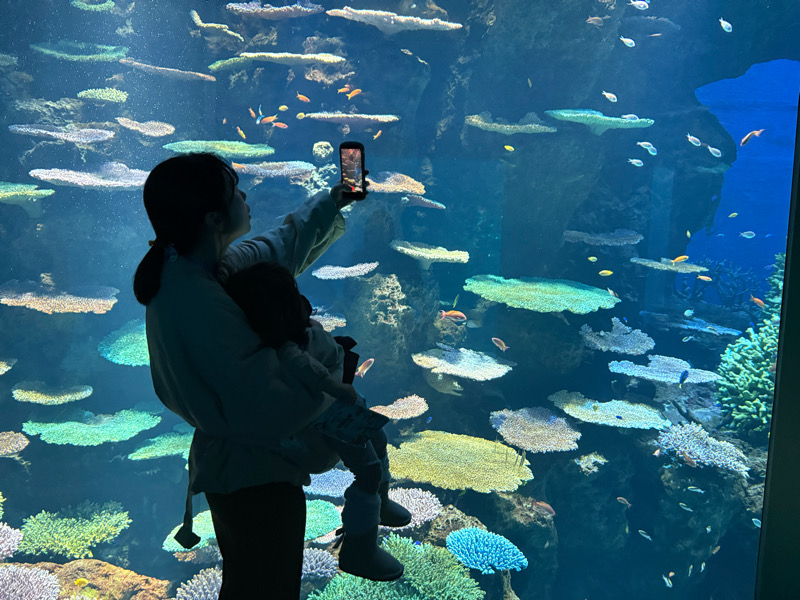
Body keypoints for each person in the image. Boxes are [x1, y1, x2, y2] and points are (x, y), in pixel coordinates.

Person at [134, 153, 360, 599]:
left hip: (246, 471)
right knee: (265, 591)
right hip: (254, 478)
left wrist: (333, 200)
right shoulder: (193, 298)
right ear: (214, 218)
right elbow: (270, 403)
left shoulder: (199, 268)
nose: (244, 195)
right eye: (234, 190)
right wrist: (325, 350)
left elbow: (279, 245)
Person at [223, 261, 412, 582]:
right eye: (292, 295)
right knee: (368, 470)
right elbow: (314, 375)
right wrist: (339, 388)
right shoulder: (289, 349)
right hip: (335, 415)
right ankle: (359, 548)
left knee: (378, 439)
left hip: (340, 409)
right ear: (280, 310)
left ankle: (381, 502)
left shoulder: (297, 334)